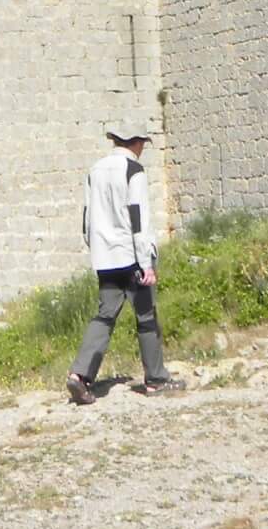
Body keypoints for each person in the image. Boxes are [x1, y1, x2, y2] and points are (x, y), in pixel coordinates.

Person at [66, 129, 183, 403]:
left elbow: (87, 218)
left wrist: (97, 249)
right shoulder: (134, 170)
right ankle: (156, 379)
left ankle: (79, 375)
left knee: (104, 315)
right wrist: (146, 264)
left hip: (105, 257)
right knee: (146, 317)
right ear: (137, 142)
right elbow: (138, 218)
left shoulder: (95, 170)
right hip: (131, 257)